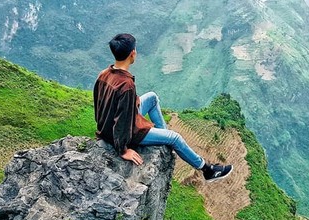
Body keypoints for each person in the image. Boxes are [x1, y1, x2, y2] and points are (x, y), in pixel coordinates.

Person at [93, 33, 232, 182]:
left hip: (108, 127)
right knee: (175, 137)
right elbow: (122, 121)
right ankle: (207, 170)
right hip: (127, 131)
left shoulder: (104, 74)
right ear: (132, 53)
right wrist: (122, 149)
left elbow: (99, 104)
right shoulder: (126, 85)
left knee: (152, 97)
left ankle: (162, 137)